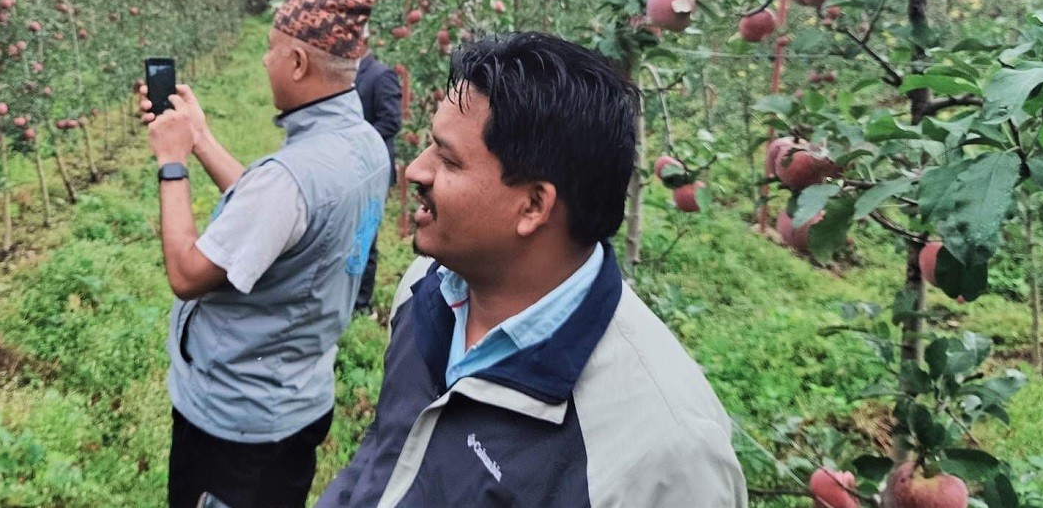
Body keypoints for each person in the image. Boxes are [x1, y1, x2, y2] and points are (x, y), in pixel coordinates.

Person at [317, 32, 748, 508]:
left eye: (448, 159)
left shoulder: (665, 457)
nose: (415, 171)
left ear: (533, 205)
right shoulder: (426, 287)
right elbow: (385, 455)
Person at [144, 0, 393, 508]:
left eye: (272, 49)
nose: (264, 61)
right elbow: (277, 220)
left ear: (299, 63)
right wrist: (201, 136)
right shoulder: (364, 145)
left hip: (236, 425)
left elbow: (188, 275)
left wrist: (173, 163)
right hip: (299, 396)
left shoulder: (290, 178)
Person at [352, 48, 402, 314]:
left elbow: (391, 122)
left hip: (373, 169)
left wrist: (354, 139)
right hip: (353, 169)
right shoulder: (349, 75)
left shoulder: (382, 75)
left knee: (366, 235)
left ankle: (362, 304)